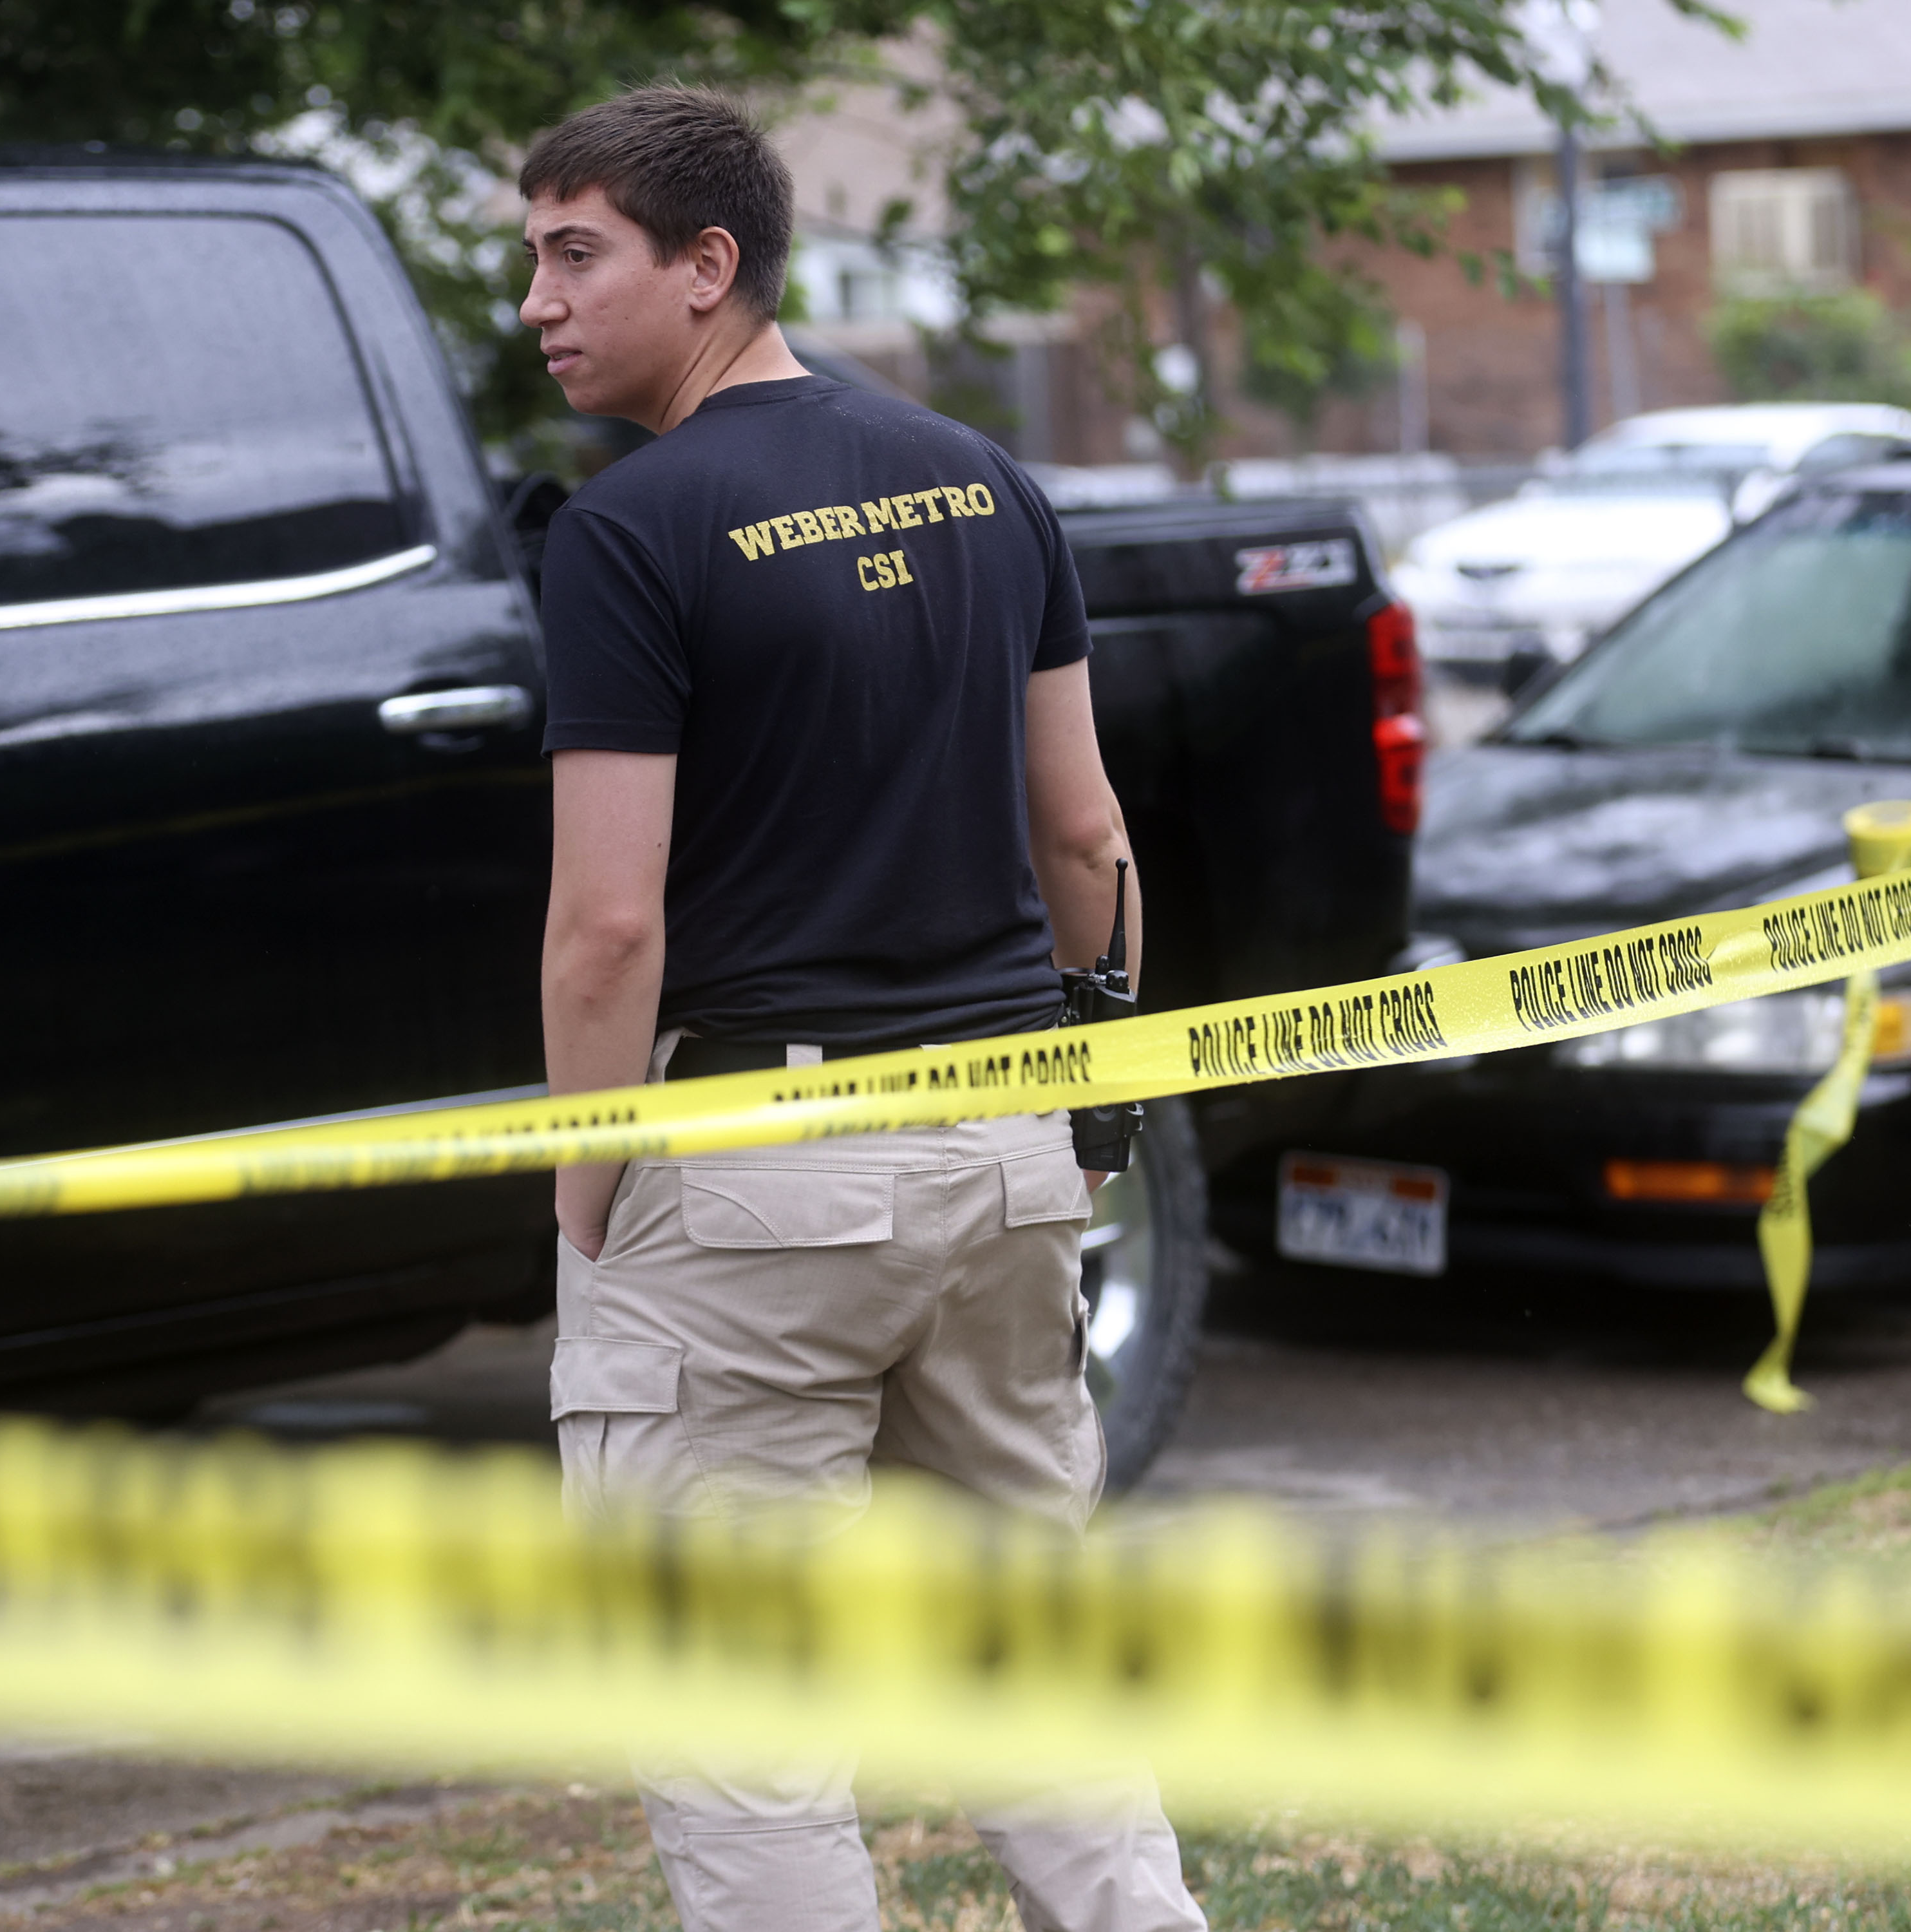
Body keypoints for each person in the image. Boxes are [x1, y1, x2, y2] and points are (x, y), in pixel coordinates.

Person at [518, 86, 1208, 1932]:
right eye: (532, 257)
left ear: (709, 265)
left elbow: (604, 928)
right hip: (1005, 1161)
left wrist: (592, 1190)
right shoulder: (987, 480)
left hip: (741, 1177)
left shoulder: (629, 535)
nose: (539, 301)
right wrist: (1092, 1093)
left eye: (577, 253)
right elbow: (1088, 837)